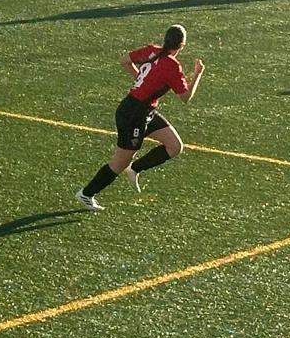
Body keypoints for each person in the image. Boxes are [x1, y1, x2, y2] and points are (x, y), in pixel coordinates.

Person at [76, 24, 204, 211]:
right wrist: (198, 74)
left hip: (144, 111)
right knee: (119, 162)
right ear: (182, 45)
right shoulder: (172, 66)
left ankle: (135, 168)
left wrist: (141, 79)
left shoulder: (152, 51)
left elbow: (125, 60)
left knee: (174, 146)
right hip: (133, 115)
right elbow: (185, 97)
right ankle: (87, 194)